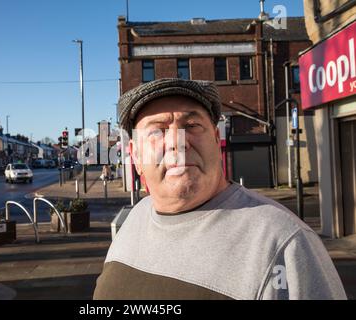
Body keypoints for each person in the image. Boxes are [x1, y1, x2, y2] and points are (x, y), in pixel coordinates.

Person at [93, 78, 347, 300]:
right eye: (157, 131)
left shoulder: (283, 242)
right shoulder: (134, 219)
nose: (176, 142)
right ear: (136, 156)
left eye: (191, 125)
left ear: (216, 140)